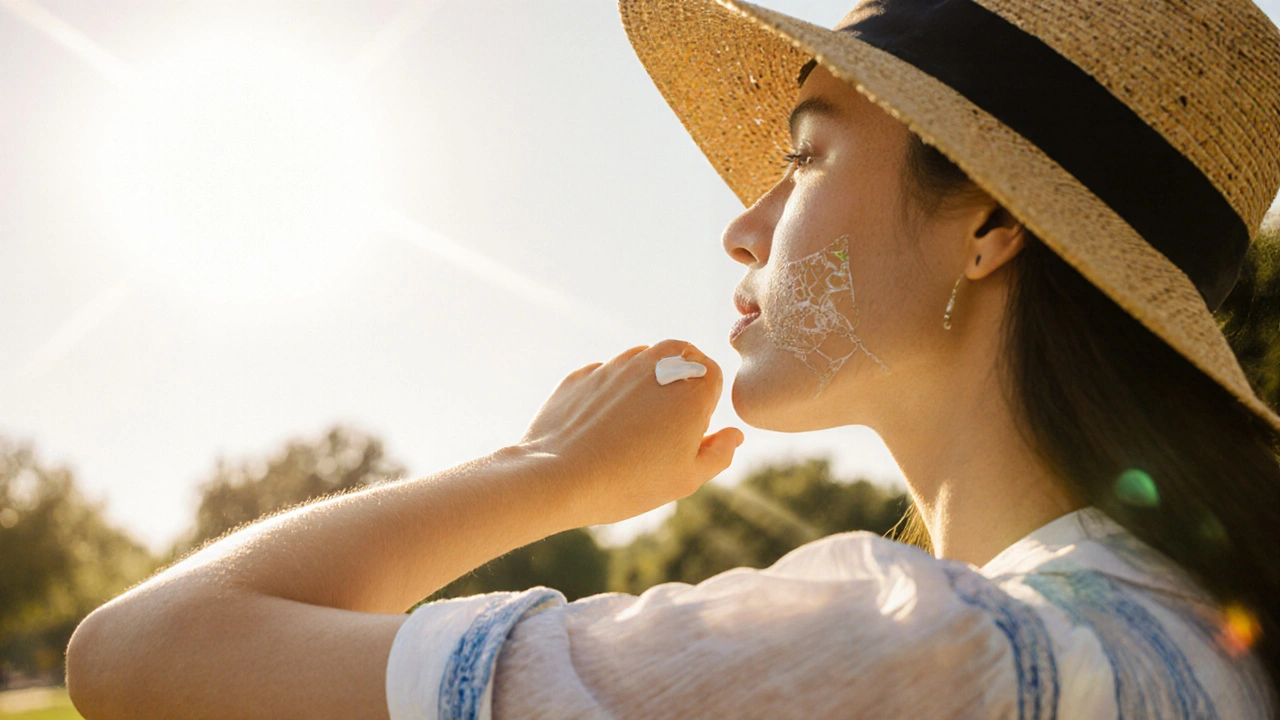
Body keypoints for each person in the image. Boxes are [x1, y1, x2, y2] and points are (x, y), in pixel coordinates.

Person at [64, 0, 1280, 717]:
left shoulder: (908, 648)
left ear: (986, 224)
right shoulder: (1198, 643)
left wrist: (543, 468)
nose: (743, 226)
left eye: (804, 157)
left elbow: (136, 656)